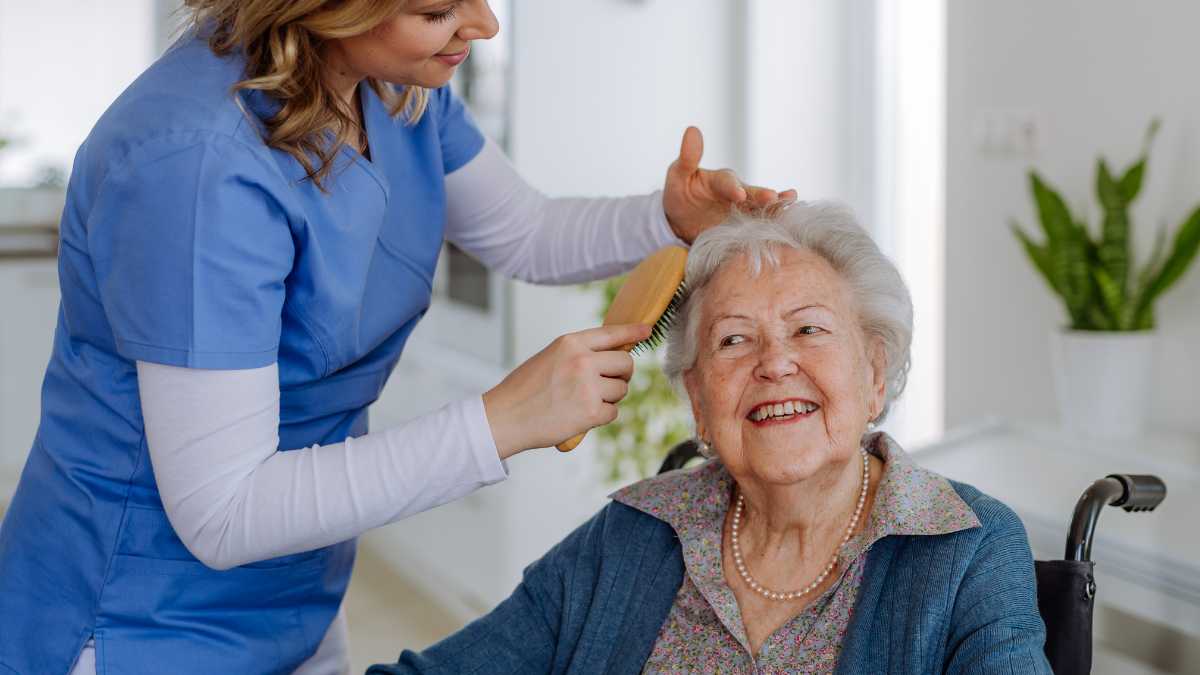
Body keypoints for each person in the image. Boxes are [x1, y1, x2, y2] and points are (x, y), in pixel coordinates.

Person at [0, 1, 795, 673]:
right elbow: (223, 510)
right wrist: (502, 420)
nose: (481, 24)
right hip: (140, 619)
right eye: (435, 10)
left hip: (297, 587)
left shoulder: (391, 85)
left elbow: (527, 231)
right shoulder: (197, 167)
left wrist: (667, 220)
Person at [369, 203, 1053, 674]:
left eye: (809, 328)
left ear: (874, 373)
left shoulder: (967, 546)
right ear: (699, 400)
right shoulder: (631, 536)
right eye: (734, 339)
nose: (774, 361)